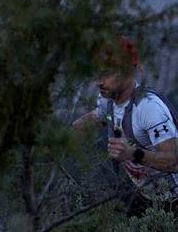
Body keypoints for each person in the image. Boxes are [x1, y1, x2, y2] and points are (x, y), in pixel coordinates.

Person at [72, 36, 178, 214]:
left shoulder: (149, 108)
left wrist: (132, 153)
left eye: (107, 74)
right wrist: (61, 137)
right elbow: (98, 116)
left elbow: (174, 161)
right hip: (148, 196)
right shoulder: (109, 99)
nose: (99, 82)